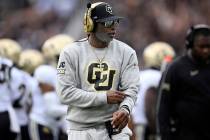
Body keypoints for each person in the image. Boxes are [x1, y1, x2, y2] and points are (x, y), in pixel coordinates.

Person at [56, 2, 140, 140]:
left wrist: (125, 109)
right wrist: (103, 97)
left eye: (115, 22)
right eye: (107, 23)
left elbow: (131, 89)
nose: (113, 27)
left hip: (115, 129)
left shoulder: (127, 52)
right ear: (91, 25)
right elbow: (65, 93)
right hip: (82, 129)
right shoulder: (71, 52)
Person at [157, 24, 210, 140]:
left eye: (208, 46)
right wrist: (165, 135)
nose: (206, 50)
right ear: (190, 45)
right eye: (201, 47)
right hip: (183, 135)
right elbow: (164, 106)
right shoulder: (176, 68)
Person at [131, 42, 175, 140]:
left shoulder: (138, 75)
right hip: (146, 125)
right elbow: (150, 103)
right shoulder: (160, 77)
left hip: (129, 123)